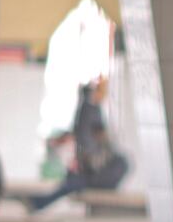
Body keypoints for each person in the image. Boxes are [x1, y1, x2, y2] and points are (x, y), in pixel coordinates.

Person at [26, 81, 130, 213]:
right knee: (72, 184)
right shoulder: (89, 110)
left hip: (92, 170)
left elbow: (82, 135)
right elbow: (85, 137)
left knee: (71, 184)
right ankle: (36, 203)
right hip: (91, 169)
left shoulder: (87, 110)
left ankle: (36, 203)